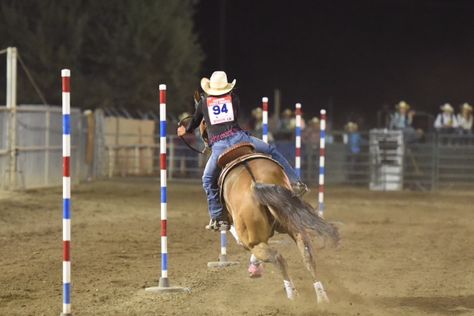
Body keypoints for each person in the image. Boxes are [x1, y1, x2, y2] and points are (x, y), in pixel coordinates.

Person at [177, 71, 307, 231]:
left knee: (208, 179)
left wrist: (185, 130)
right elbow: (235, 117)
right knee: (272, 151)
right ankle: (296, 182)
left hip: (220, 145)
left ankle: (218, 217)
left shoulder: (204, 102)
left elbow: (196, 122)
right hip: (240, 138)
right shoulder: (234, 99)